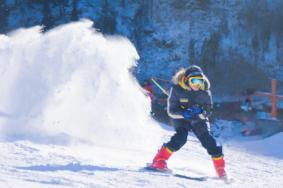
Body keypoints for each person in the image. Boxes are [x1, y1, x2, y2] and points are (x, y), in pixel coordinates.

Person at [149, 65, 227, 179]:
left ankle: (220, 169)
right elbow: (171, 111)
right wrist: (184, 113)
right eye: (194, 81)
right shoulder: (176, 90)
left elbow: (208, 111)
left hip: (197, 119)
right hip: (181, 118)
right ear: (186, 80)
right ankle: (159, 160)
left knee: (208, 141)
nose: (197, 84)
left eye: (200, 81)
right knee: (181, 137)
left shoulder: (205, 92)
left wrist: (200, 111)